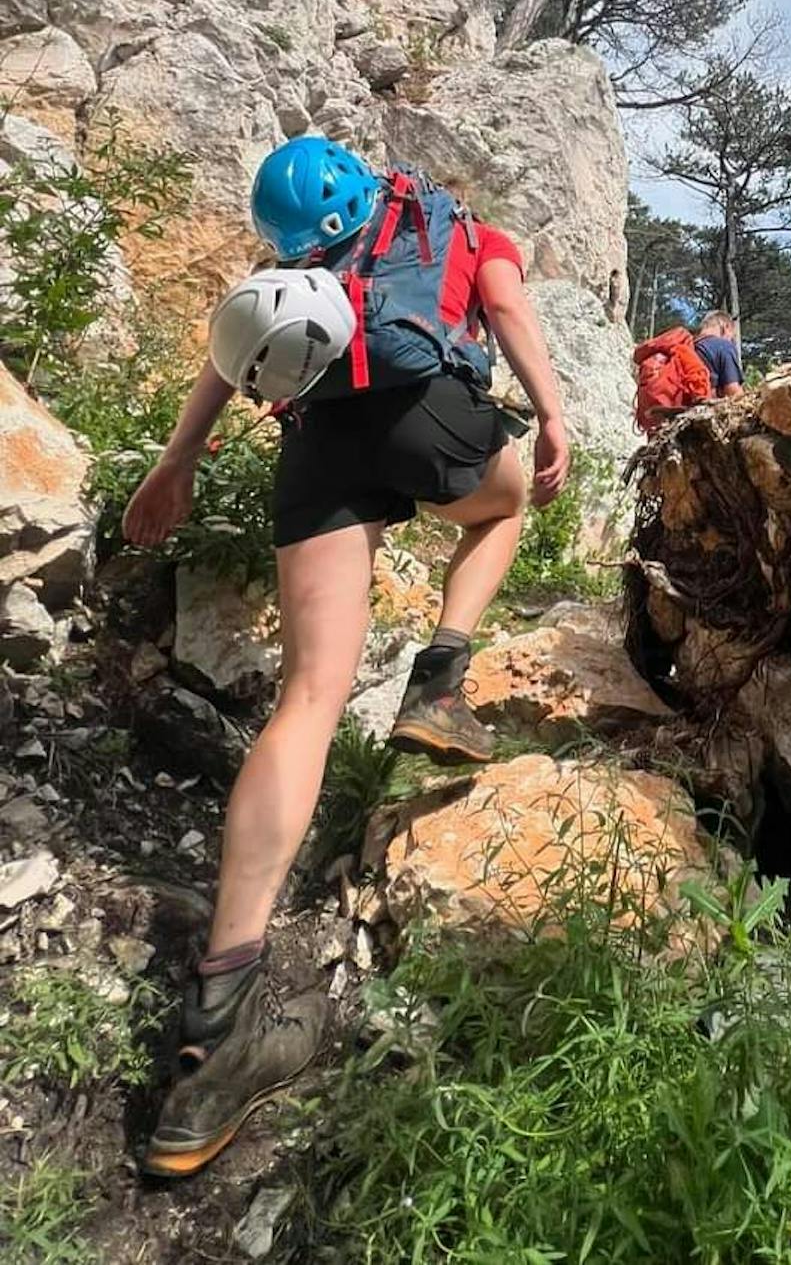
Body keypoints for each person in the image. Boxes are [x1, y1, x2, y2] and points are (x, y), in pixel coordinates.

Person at [120, 136, 569, 1179]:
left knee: (308, 698)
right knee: (498, 508)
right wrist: (548, 413)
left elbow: (232, 356)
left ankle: (212, 1028)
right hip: (431, 418)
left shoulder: (293, 271)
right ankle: (441, 677)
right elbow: (505, 308)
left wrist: (176, 462)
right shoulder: (451, 222)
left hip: (319, 440)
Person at [693, 310, 743, 397]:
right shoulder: (724, 346)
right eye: (732, 337)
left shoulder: (690, 346)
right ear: (726, 327)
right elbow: (733, 392)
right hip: (705, 408)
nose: (732, 341)